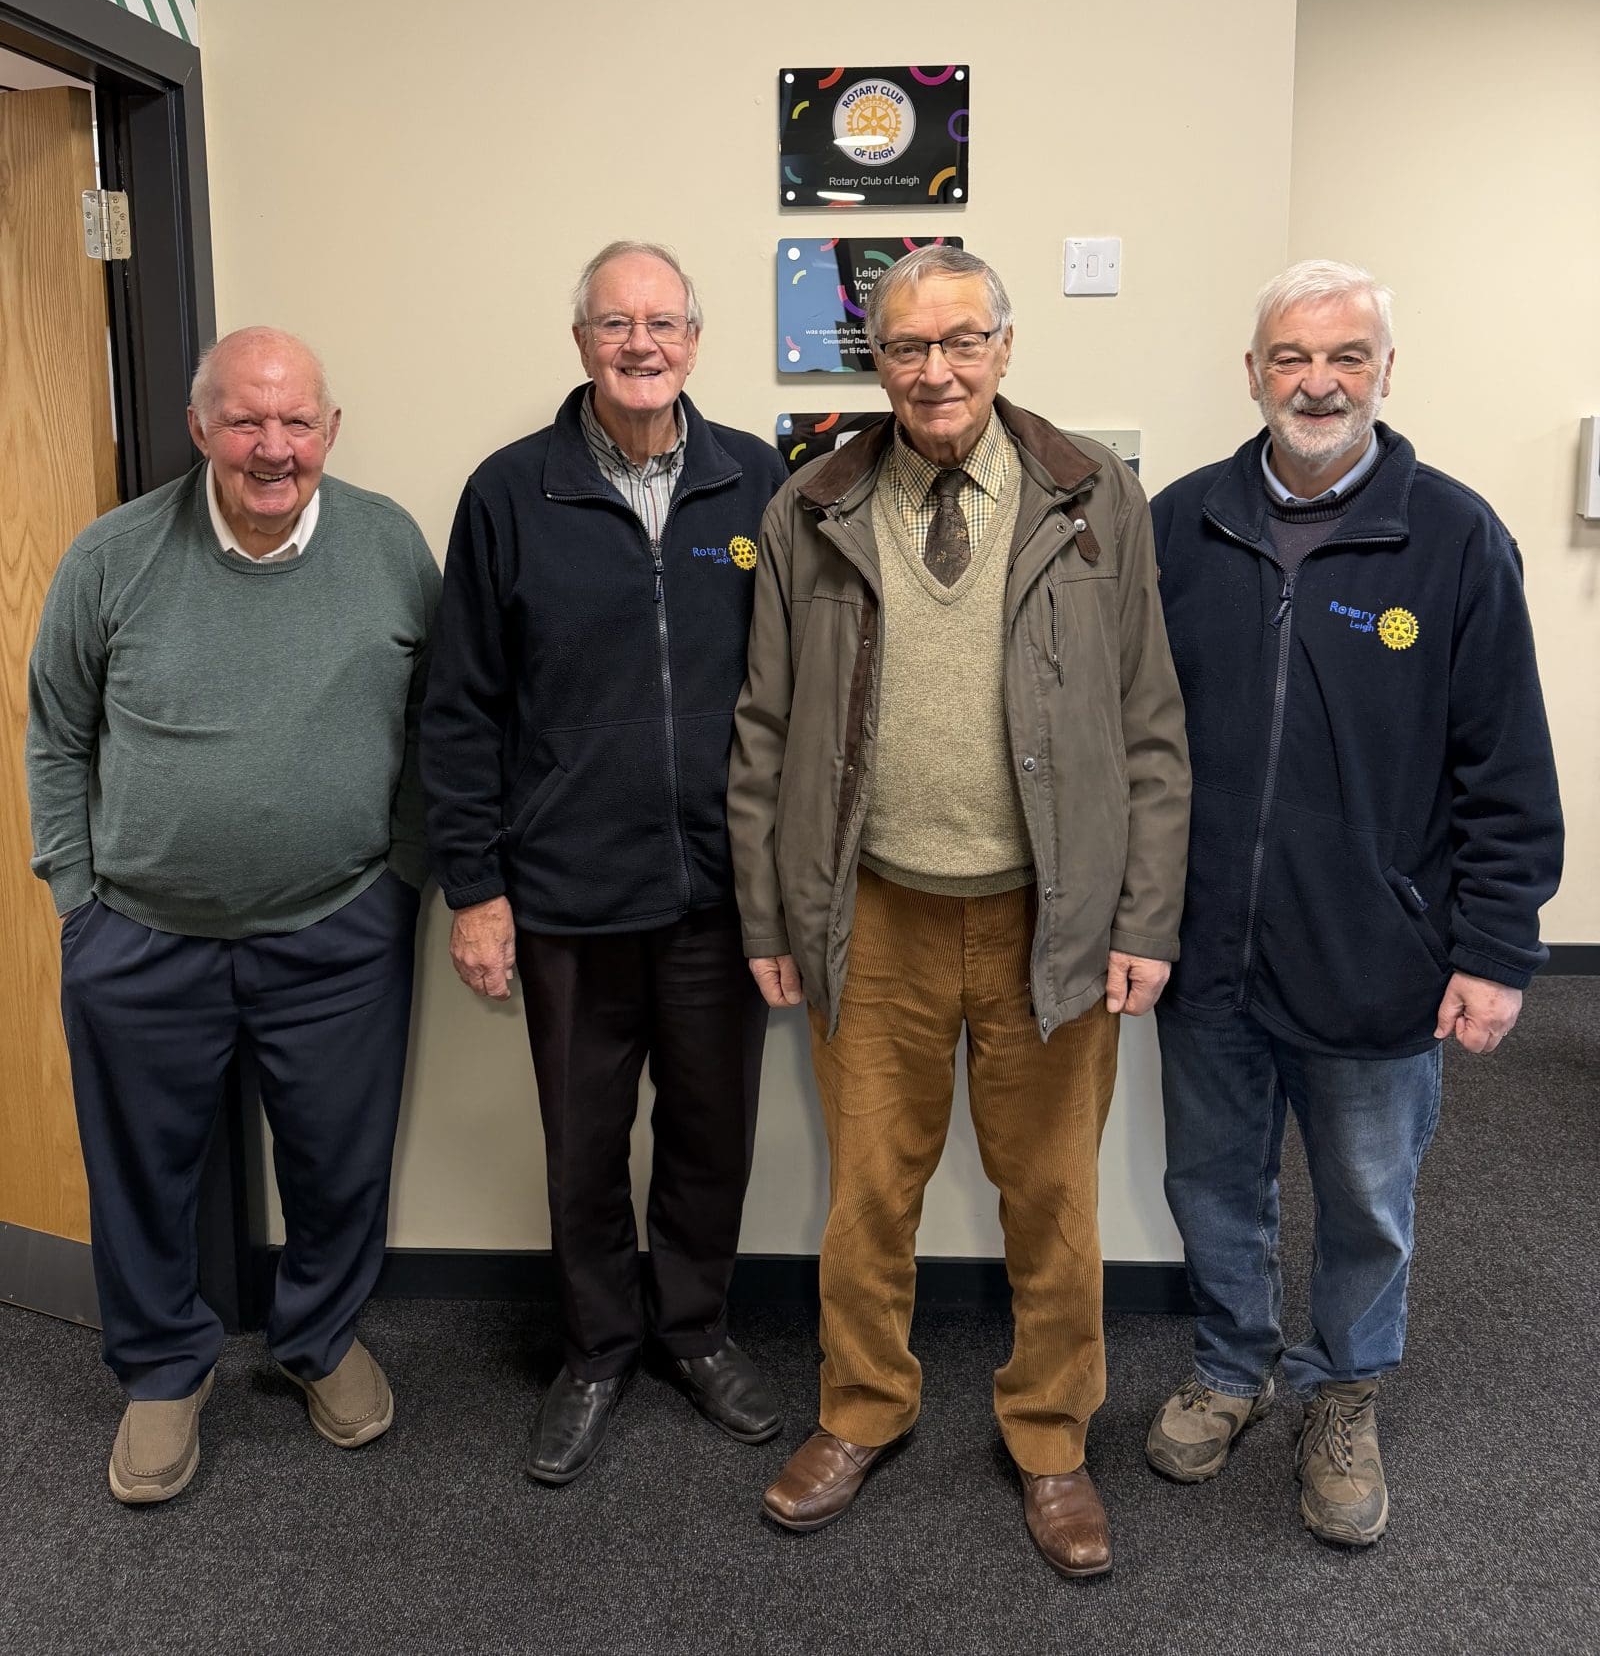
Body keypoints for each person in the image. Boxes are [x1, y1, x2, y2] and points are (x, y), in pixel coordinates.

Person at [727, 245, 1190, 1578]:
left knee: (1052, 1197)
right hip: (871, 915)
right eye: (907, 346)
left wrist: (1145, 915)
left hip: (1051, 915)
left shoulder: (1095, 495)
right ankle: (861, 1407)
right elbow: (762, 731)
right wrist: (769, 915)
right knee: (868, 1192)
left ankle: (1051, 1438)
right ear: (874, 358)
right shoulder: (811, 503)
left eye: (961, 342)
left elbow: (1150, 723)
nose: (936, 369)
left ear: (1004, 346)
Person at [1145, 259, 1563, 1547]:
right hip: (1202, 947)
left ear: (1386, 372)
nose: (1315, 381)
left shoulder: (1452, 535)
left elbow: (1504, 764)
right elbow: (1128, 739)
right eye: (1289, 357)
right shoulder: (1181, 523)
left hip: (1374, 950)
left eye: (1345, 356)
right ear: (1253, 373)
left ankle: (1344, 1392)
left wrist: (1494, 948)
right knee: (1212, 1180)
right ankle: (1231, 1366)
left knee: (1366, 1197)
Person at [27, 327, 438, 1503]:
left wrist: (402, 874)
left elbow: (437, 723)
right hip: (139, 936)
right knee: (141, 1172)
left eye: (296, 421)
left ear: (331, 431)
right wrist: (76, 895)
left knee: (338, 1162)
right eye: (246, 421)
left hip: (339, 929)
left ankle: (316, 1340)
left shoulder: (389, 547)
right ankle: (163, 1370)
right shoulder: (112, 558)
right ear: (201, 427)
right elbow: (55, 731)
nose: (273, 448)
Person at [422, 241, 787, 1486]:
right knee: (581, 1144)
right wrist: (474, 887)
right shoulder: (508, 494)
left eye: (664, 323)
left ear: (696, 338)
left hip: (720, 897)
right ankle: (593, 1350)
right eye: (616, 324)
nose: (642, 344)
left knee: (709, 1136)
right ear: (579, 340)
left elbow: (803, 690)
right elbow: (459, 709)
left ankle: (691, 1331)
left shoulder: (755, 484)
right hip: (569, 896)